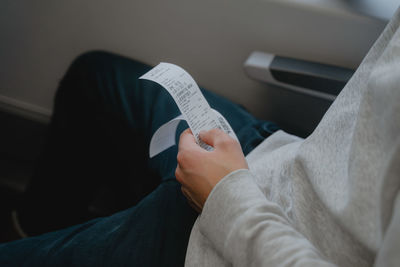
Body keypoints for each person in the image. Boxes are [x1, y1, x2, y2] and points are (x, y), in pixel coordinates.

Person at [1, 7, 400, 267]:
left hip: (228, 240)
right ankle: (36, 225)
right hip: (277, 165)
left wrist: (225, 195)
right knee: (94, 78)